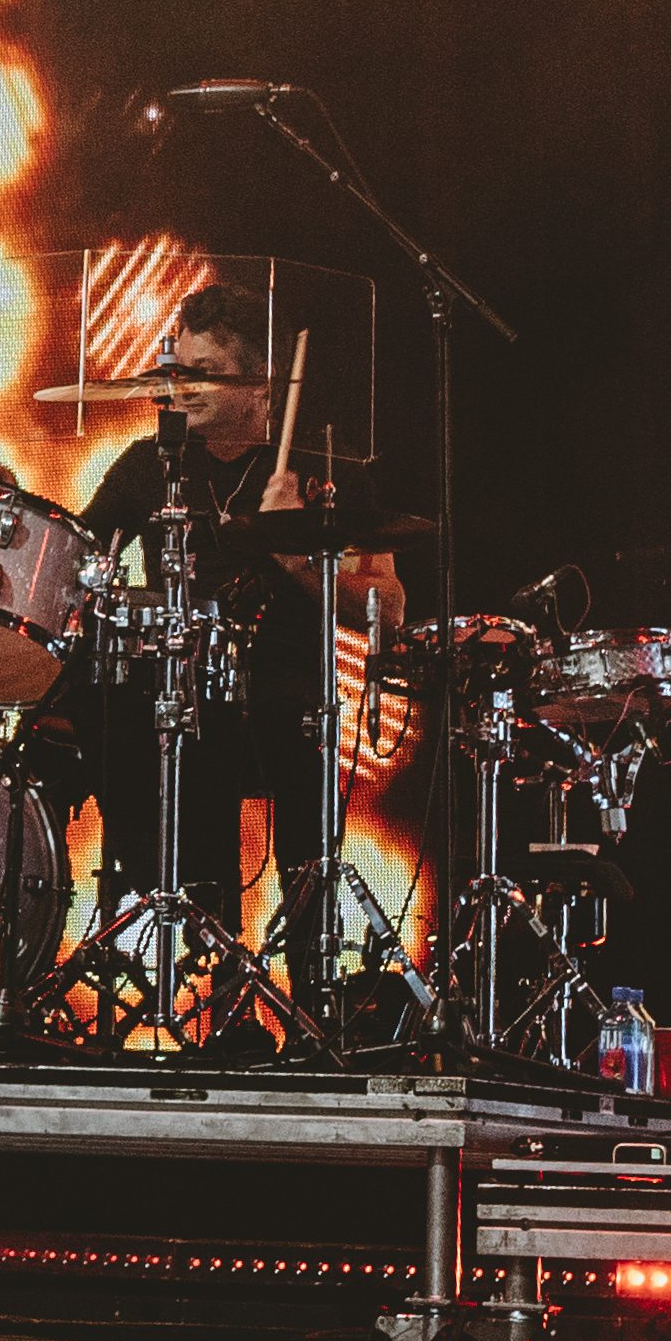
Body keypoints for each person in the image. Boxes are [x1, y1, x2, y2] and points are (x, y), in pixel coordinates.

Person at [59, 290, 394, 1032]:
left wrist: (290, 547)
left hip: (287, 691)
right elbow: (78, 568)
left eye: (205, 372)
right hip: (179, 698)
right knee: (99, 718)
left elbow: (388, 605)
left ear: (261, 388)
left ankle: (315, 1003)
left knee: (289, 761)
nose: (181, 386)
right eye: (178, 369)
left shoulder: (318, 466)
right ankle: (215, 982)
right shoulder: (149, 466)